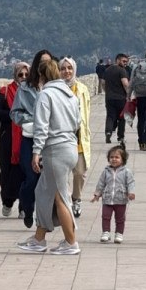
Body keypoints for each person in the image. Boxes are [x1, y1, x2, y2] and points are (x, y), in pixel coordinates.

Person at [16, 58, 82, 255]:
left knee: (60, 197)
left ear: (41, 76)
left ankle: (71, 242)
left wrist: (36, 152)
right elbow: (77, 122)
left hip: (55, 150)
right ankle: (39, 238)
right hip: (69, 147)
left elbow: (41, 126)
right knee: (43, 192)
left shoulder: (45, 95)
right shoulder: (70, 94)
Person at [12, 50, 53, 228]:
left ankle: (44, 217)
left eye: (48, 63)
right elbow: (15, 113)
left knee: (48, 181)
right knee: (31, 178)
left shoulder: (56, 88)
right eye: (42, 62)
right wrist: (33, 119)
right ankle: (27, 207)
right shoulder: (25, 88)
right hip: (30, 138)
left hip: (51, 139)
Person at [0, 62, 29, 218]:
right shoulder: (5, 91)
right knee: (6, 172)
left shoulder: (32, 92)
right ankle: (7, 200)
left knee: (25, 173)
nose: (23, 77)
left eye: (26, 74)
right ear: (15, 75)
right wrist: (14, 116)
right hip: (8, 139)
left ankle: (23, 206)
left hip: (26, 137)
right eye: (20, 74)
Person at [59, 57, 91, 220]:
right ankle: (64, 202)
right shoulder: (55, 90)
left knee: (79, 173)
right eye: (63, 68)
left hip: (78, 139)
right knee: (62, 175)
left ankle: (76, 198)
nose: (67, 71)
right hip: (61, 139)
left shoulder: (82, 89)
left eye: (69, 68)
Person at [91, 145, 135, 244]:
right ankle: (106, 232)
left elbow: (131, 183)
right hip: (107, 199)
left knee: (120, 218)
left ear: (123, 160)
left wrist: (131, 193)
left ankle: (119, 234)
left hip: (121, 199)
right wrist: (97, 194)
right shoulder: (106, 171)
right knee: (105, 216)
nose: (114, 159)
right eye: (111, 157)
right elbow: (101, 183)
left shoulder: (126, 172)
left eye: (117, 157)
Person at [102, 53, 131, 145]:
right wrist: (129, 95)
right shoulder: (122, 71)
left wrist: (106, 91)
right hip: (121, 98)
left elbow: (103, 82)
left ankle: (108, 132)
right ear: (117, 60)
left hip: (109, 98)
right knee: (122, 118)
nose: (125, 63)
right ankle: (120, 137)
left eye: (126, 62)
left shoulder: (107, 70)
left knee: (110, 116)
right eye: (124, 61)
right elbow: (125, 84)